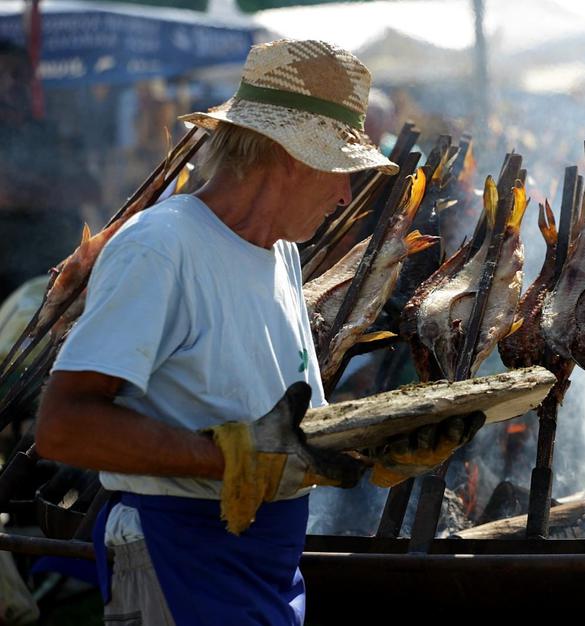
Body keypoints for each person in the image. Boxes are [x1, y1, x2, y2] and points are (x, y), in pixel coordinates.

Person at [34, 39, 480, 625]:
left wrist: (378, 442)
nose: (347, 194)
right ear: (289, 156)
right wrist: (226, 458)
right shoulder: (161, 247)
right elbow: (65, 427)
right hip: (179, 556)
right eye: (340, 169)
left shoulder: (283, 255)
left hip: (265, 566)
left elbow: (289, 433)